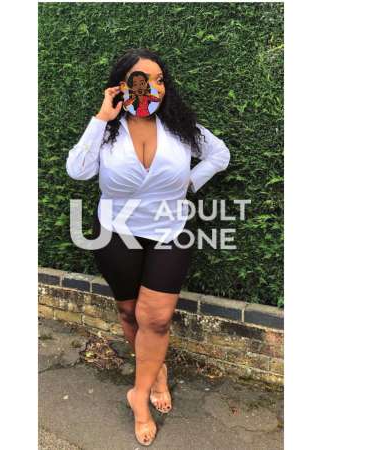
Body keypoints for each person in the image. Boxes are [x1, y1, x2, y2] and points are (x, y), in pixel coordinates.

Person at [65, 48, 230, 446]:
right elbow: (78, 170)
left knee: (155, 318)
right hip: (115, 230)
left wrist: (190, 182)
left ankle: (138, 396)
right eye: (140, 79)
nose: (150, 86)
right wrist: (101, 117)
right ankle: (154, 372)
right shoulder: (107, 130)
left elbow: (219, 154)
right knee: (128, 311)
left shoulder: (181, 129)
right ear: (122, 84)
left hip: (171, 228)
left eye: (158, 79)